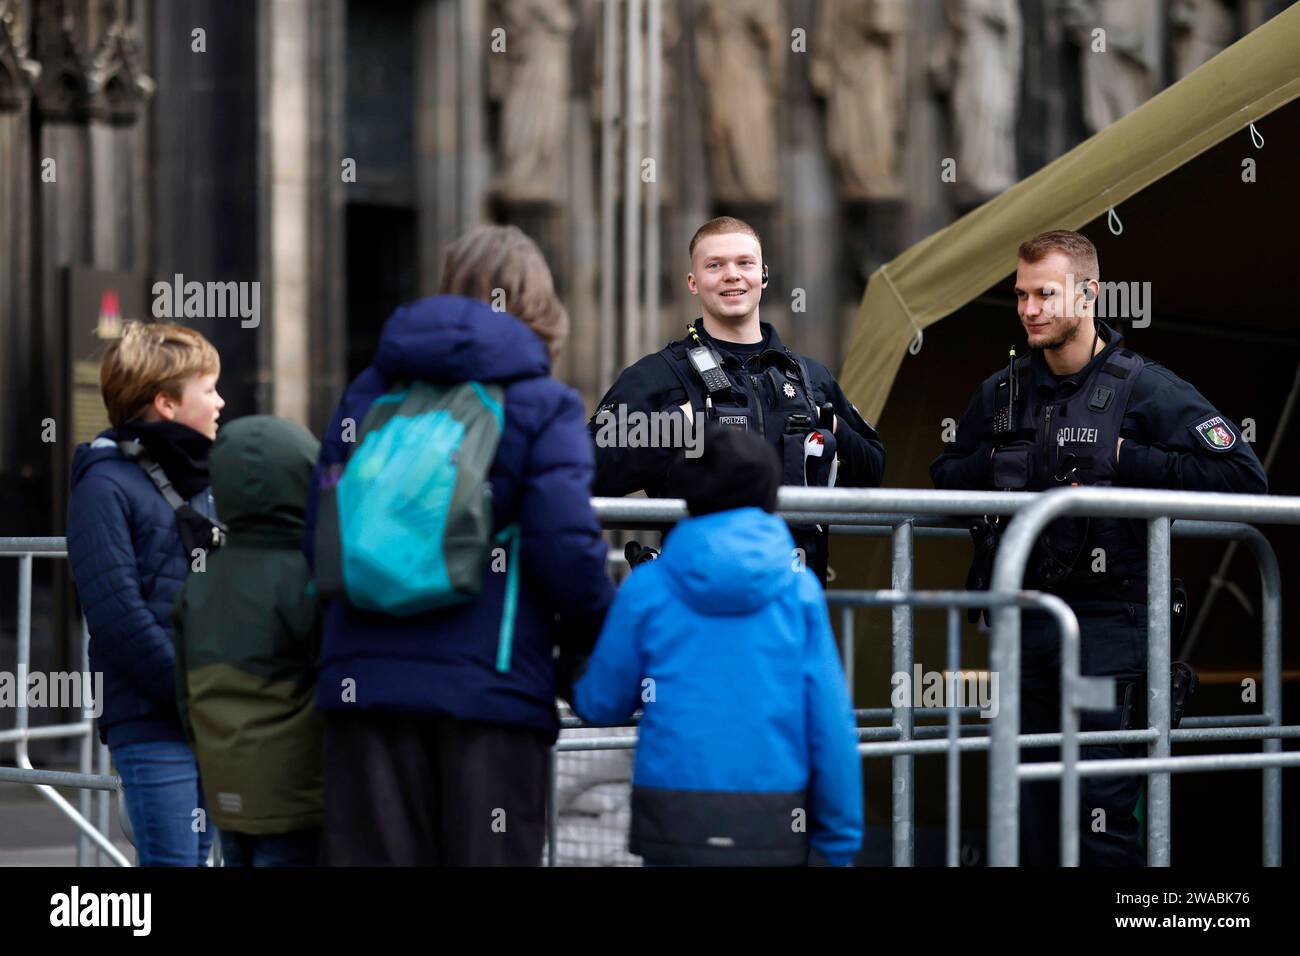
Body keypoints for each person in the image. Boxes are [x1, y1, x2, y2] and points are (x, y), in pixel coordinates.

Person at [931, 229, 1267, 866]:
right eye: (1022, 295)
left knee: (1094, 809)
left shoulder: (1147, 389)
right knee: (1023, 806)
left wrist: (1119, 459)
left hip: (1112, 629)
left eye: (1046, 295)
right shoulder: (1001, 393)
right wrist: (1014, 464)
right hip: (1025, 623)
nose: (1030, 310)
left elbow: (1243, 479)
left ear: (1088, 294)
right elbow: (945, 476)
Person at [306, 224, 615, 866]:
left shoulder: (369, 394)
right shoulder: (543, 403)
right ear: (538, 302)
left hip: (365, 692)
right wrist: (599, 634)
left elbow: (320, 535)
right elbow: (566, 546)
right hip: (490, 699)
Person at [572, 425, 863, 866]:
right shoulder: (799, 591)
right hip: (773, 814)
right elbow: (830, 723)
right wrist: (838, 842)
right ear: (769, 493)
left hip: (672, 814)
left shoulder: (649, 586)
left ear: (688, 494)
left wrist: (566, 668)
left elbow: (603, 703)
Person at [589, 215, 886, 582]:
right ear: (693, 283)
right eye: (715, 265)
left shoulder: (810, 380)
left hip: (789, 598)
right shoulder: (659, 376)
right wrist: (676, 427)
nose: (732, 274)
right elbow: (590, 466)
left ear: (763, 274)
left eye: (744, 263)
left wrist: (832, 425)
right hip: (696, 599)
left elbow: (874, 470)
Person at [67, 320, 226, 866]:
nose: (220, 402)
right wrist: (192, 693)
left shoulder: (198, 480)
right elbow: (117, 615)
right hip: (155, 719)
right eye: (208, 389)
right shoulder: (103, 483)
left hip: (208, 713)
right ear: (165, 402)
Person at [172, 415, 323, 867]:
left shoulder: (202, 579)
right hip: (296, 794)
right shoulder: (307, 575)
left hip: (225, 785)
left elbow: (184, 695)